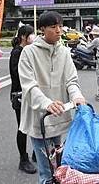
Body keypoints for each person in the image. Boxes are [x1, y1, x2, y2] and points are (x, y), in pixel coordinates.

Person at [18, 11, 86, 184]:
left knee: (59, 167)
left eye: (60, 26)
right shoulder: (28, 53)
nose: (59, 30)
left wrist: (77, 96)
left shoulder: (64, 52)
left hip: (58, 115)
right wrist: (46, 103)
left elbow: (71, 80)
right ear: (42, 29)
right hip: (39, 118)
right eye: (53, 27)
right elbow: (29, 85)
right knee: (47, 171)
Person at [9, 25, 37, 174]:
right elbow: (18, 75)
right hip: (20, 95)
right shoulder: (17, 52)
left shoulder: (28, 51)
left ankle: (36, 153)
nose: (33, 36)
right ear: (23, 37)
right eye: (30, 34)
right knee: (23, 127)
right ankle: (23, 159)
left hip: (30, 93)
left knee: (34, 124)